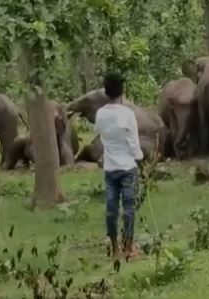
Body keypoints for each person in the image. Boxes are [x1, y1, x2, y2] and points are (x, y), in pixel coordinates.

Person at [94, 72, 144, 260]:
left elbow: (99, 133)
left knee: (111, 208)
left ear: (106, 92)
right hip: (128, 168)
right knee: (129, 207)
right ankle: (129, 246)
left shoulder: (100, 114)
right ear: (122, 91)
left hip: (110, 168)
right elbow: (134, 143)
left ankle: (114, 248)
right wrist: (141, 163)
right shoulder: (127, 114)